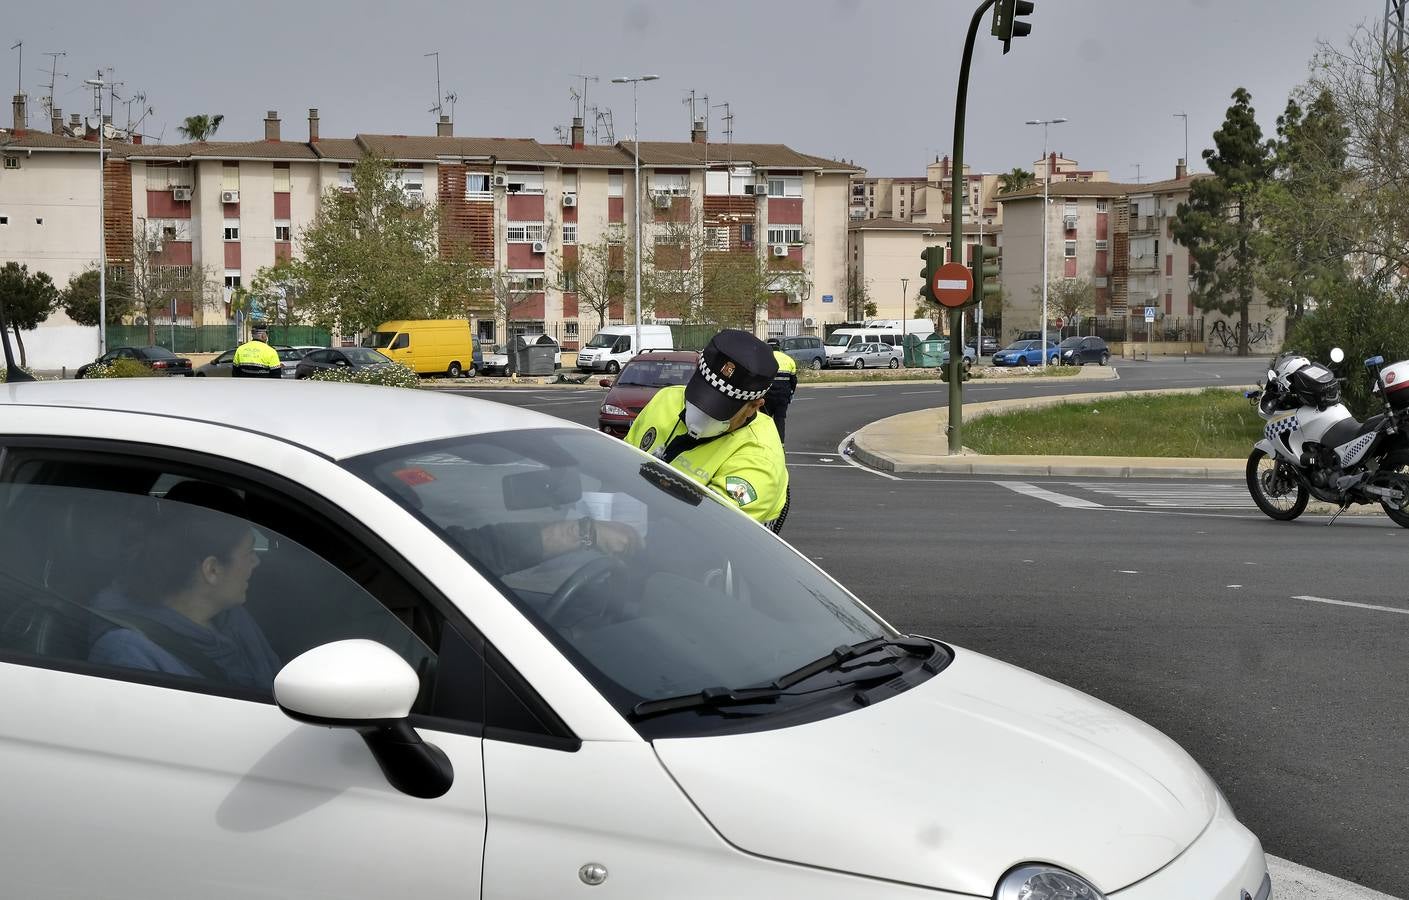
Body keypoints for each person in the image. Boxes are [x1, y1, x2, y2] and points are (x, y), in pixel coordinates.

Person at [88, 483, 280, 690]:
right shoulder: (127, 654)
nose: (256, 562)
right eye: (249, 552)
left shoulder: (232, 616)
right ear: (212, 570)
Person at [626, 330, 788, 527]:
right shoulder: (665, 399)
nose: (701, 413)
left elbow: (707, 531)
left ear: (754, 406)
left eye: (719, 409)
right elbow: (621, 467)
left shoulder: (760, 458)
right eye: (699, 396)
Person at [763, 348, 798, 444]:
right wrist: (791, 393)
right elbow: (793, 381)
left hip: (767, 396)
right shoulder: (788, 359)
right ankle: (780, 444)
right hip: (783, 396)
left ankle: (765, 443)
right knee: (780, 420)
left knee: (765, 420)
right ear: (779, 347)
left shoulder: (765, 358)